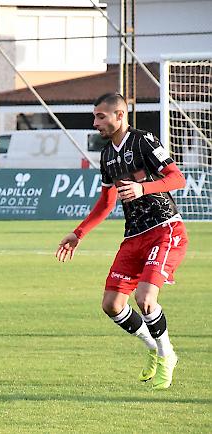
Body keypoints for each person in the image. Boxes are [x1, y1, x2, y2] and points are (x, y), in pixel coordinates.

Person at [56, 92, 188, 390]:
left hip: (165, 228)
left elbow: (177, 178)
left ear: (120, 115)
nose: (95, 122)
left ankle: (168, 355)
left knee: (144, 299)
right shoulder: (106, 155)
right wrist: (78, 234)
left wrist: (144, 189)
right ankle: (153, 348)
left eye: (101, 116)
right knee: (112, 304)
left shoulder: (144, 141)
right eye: (95, 116)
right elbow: (106, 202)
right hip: (134, 235)